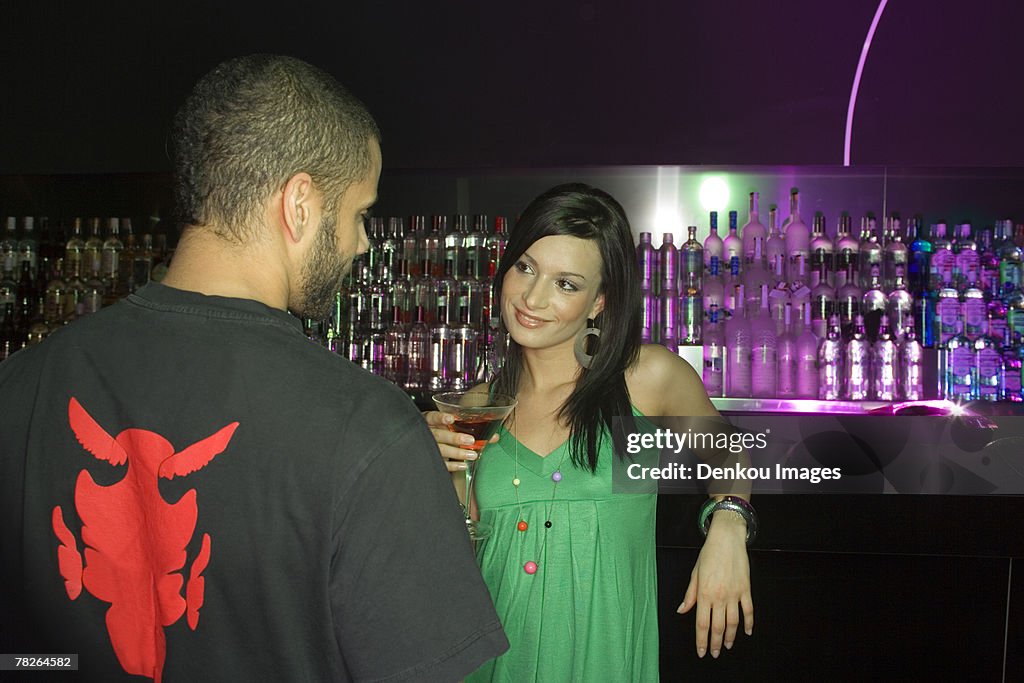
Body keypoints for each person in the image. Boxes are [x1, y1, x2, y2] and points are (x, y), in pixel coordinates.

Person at [0, 54, 507, 682]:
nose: (362, 243)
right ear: (299, 205)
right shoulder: (369, 429)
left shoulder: (22, 385)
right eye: (359, 213)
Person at [425, 183, 754, 681]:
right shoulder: (475, 408)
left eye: (566, 284)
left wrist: (729, 524)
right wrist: (421, 466)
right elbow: (449, 566)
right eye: (526, 267)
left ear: (600, 301)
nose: (532, 298)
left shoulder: (647, 379)